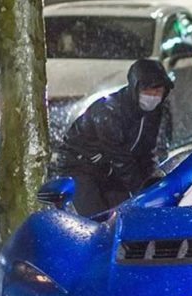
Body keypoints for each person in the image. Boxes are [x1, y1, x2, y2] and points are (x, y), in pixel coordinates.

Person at [55, 58, 173, 217]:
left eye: (158, 92)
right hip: (80, 166)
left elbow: (145, 152)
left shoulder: (154, 113)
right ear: (135, 88)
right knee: (98, 219)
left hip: (109, 169)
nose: (153, 96)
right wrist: (143, 189)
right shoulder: (109, 111)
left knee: (123, 215)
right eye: (148, 91)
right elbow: (120, 157)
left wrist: (152, 185)